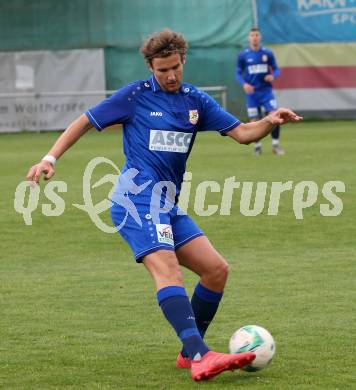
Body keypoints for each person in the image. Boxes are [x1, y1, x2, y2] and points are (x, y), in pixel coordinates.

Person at [27, 29, 302, 381]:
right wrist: (50, 158)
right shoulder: (135, 97)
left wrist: (268, 122)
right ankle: (202, 356)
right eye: (162, 70)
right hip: (135, 200)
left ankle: (190, 353)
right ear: (150, 68)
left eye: (175, 67)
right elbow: (84, 121)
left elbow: (243, 133)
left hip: (167, 204)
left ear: (183, 60)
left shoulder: (195, 101)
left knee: (216, 270)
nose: (170, 76)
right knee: (167, 268)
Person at [236, 27, 284, 155]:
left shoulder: (267, 53)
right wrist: (244, 84)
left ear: (260, 37)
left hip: (266, 91)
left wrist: (272, 76)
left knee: (275, 116)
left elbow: (276, 69)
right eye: (252, 35)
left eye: (257, 35)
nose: (254, 37)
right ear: (249, 38)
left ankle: (275, 145)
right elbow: (238, 73)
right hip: (252, 94)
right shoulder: (243, 55)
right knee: (254, 121)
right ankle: (257, 147)